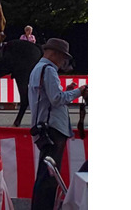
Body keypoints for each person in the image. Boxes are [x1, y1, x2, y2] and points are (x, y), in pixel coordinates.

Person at [28, 38, 88, 210]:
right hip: (53, 128)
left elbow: (49, 98)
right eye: (63, 57)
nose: (64, 62)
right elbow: (56, 99)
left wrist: (67, 91)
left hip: (43, 126)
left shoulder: (37, 69)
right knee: (50, 176)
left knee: (45, 174)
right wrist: (78, 91)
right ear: (53, 53)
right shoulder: (49, 70)